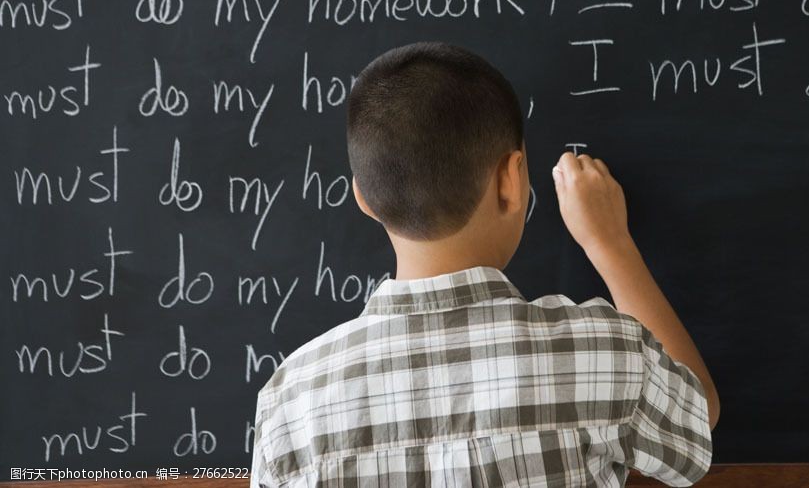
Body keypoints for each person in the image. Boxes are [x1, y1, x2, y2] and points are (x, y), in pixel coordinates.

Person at [250, 41, 719, 487]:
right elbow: (697, 418)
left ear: (364, 199)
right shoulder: (605, 354)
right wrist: (610, 243)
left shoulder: (290, 404)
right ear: (511, 180)